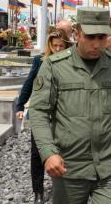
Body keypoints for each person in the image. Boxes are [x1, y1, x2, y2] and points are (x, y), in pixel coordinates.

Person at [30, 8, 111, 204]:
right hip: (69, 166)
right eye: (90, 37)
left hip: (110, 166)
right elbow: (39, 112)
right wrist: (48, 153)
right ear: (77, 34)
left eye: (101, 37)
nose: (96, 44)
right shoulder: (54, 66)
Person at [14, 29, 70, 203]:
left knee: (63, 151)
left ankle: (60, 187)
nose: (58, 49)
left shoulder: (72, 63)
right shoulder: (40, 61)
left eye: (62, 46)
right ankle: (38, 191)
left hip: (63, 114)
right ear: (49, 45)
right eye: (55, 46)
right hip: (42, 113)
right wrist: (20, 104)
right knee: (37, 153)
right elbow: (29, 83)